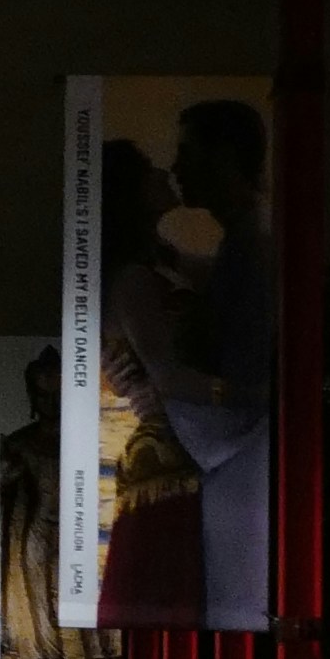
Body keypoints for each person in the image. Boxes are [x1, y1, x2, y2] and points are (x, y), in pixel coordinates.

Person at [166, 97, 274, 632]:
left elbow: (249, 385)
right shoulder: (249, 237)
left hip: (249, 470)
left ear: (225, 154)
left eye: (187, 152)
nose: (175, 168)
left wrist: (172, 388)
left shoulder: (253, 243)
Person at [97, 135, 208, 626]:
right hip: (174, 446)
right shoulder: (133, 279)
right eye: (150, 171)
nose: (165, 174)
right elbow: (168, 374)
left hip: (178, 442)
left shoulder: (160, 262)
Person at [0, 347, 117, 659]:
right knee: (46, 617)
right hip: (41, 535)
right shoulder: (20, 442)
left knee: (94, 615)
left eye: (58, 394)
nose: (51, 402)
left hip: (85, 533)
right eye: (43, 395)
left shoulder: (94, 434)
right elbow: (4, 492)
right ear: (32, 397)